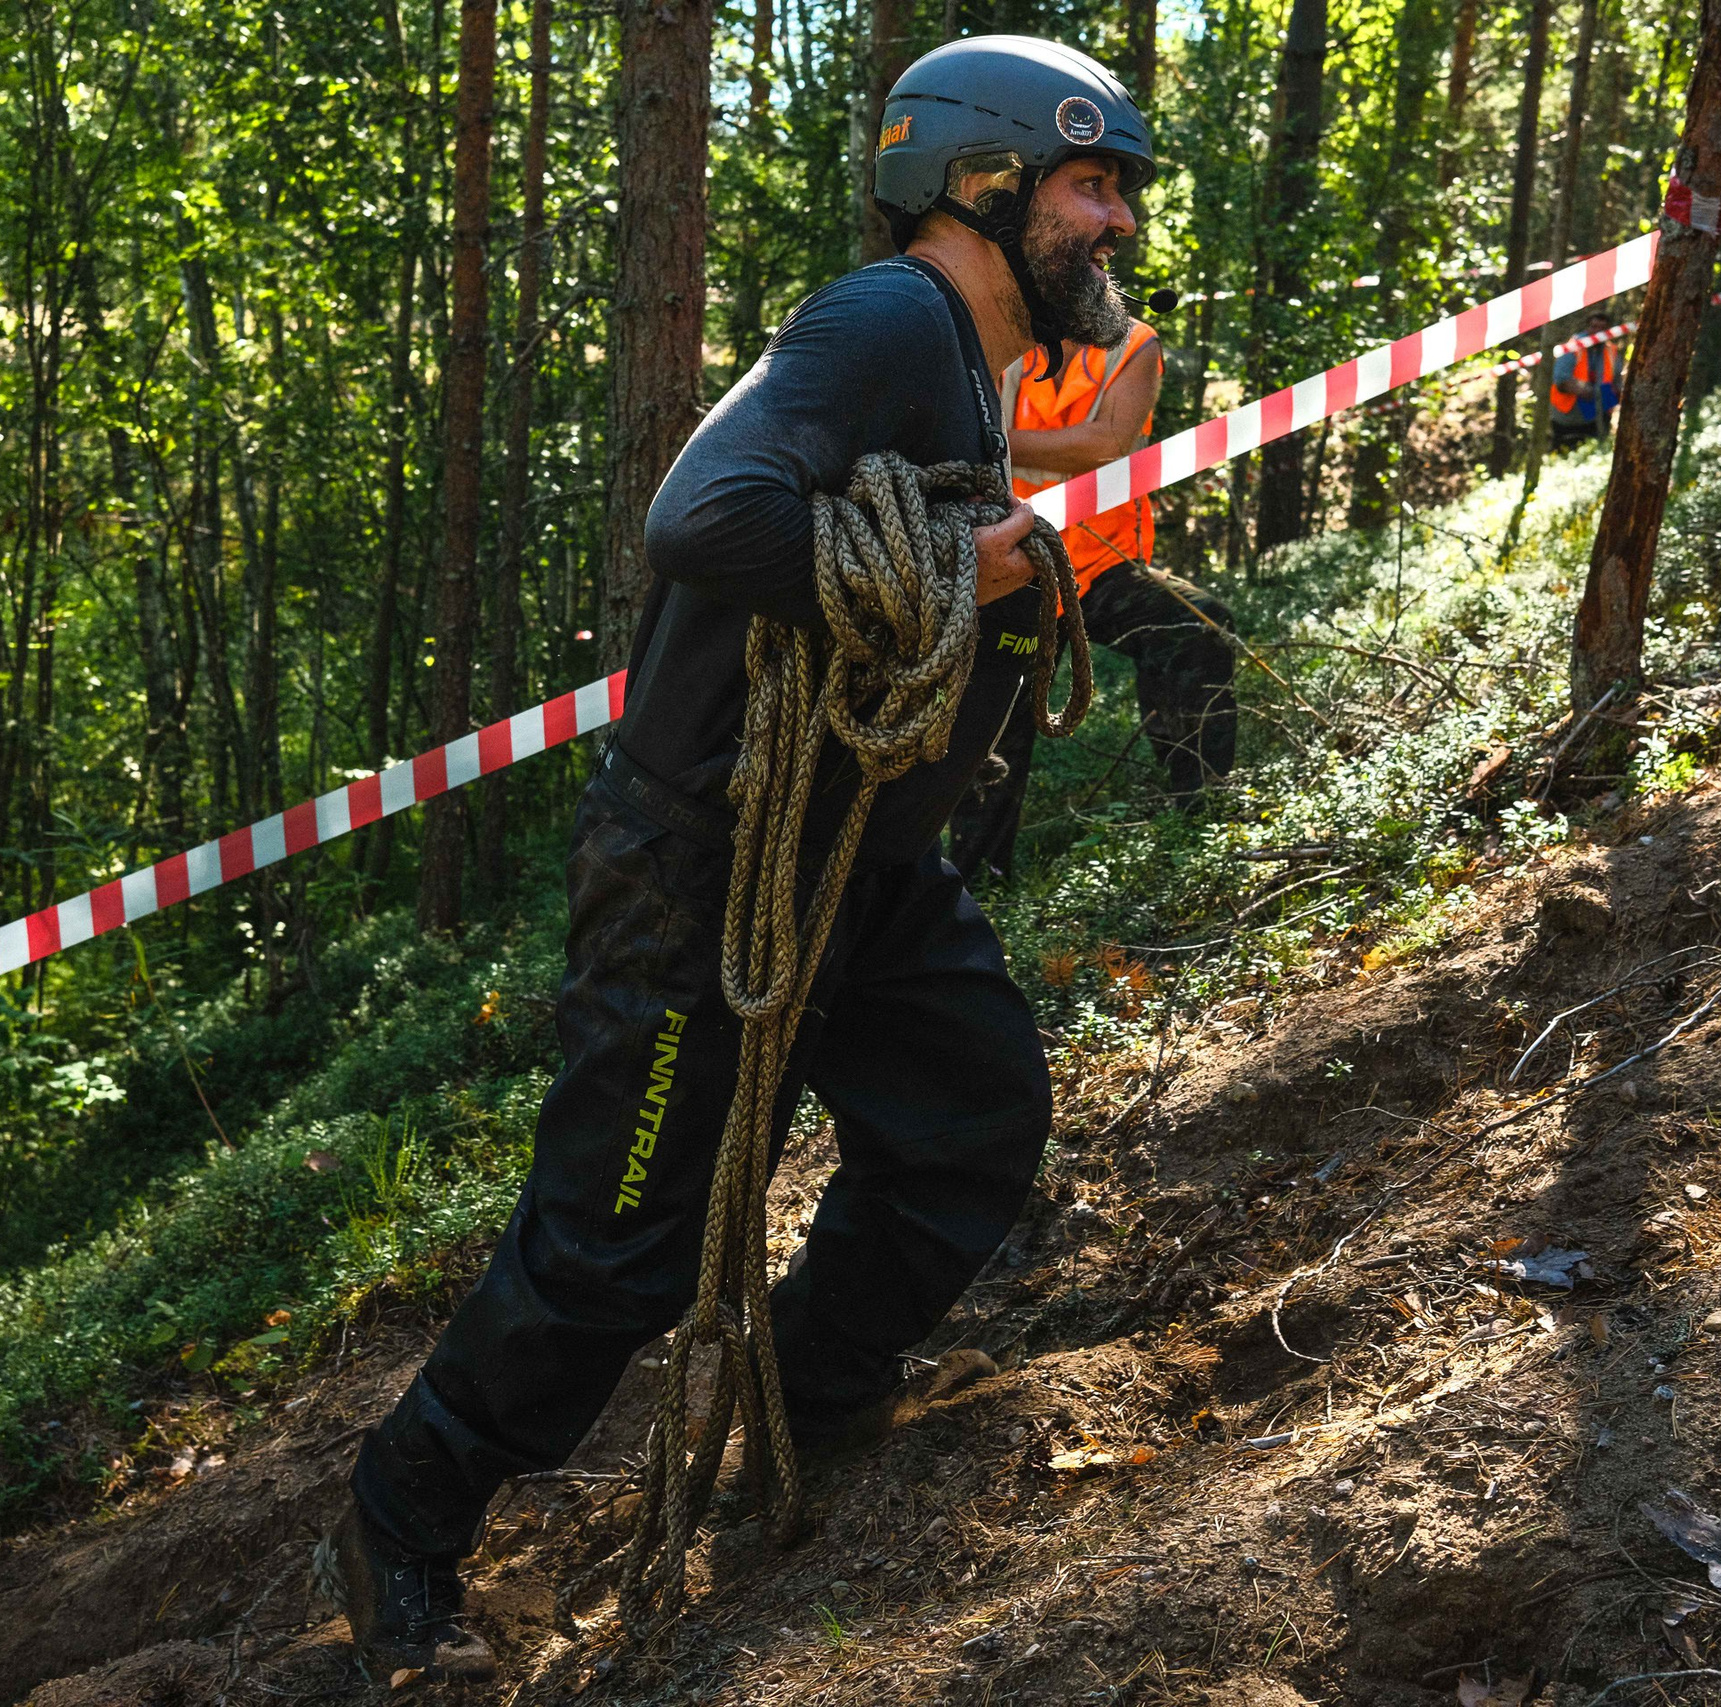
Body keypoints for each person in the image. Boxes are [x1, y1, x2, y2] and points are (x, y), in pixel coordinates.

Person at [323, 36, 1156, 1681]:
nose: (1116, 221)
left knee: (972, 1121)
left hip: (858, 868)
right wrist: (950, 559)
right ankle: (401, 1513)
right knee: (614, 1251)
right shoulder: (884, 321)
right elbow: (701, 521)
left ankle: (807, 1394)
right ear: (981, 180)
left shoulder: (957, 355)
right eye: (1090, 183)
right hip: (709, 872)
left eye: (1118, 188)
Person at [946, 317, 1239, 882]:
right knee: (994, 722)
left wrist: (997, 444)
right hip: (1017, 566)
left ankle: (1200, 812)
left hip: (1103, 567)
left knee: (1199, 631)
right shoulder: (1001, 339)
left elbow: (1107, 444)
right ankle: (977, 884)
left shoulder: (1133, 344)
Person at [1548, 314, 1624, 450]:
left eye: (1602, 328)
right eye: (1594, 327)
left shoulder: (1611, 350)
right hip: (1568, 417)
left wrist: (1613, 396)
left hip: (1598, 417)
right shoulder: (1572, 347)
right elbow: (1561, 380)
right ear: (1588, 327)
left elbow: (1617, 383)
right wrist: (1588, 391)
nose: (1597, 331)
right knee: (1564, 453)